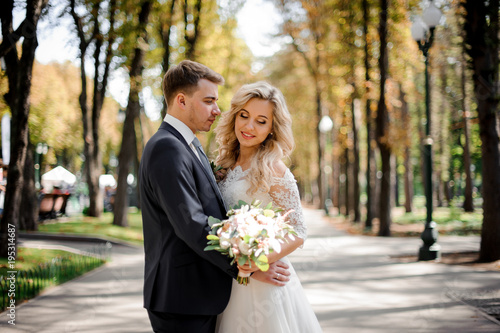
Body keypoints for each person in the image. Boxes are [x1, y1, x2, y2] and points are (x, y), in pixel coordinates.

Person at [139, 61, 289, 333]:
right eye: (209, 101)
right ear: (181, 100)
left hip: (200, 296)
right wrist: (249, 268)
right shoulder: (167, 148)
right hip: (181, 299)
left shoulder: (190, 144)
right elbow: (192, 224)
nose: (217, 110)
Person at [214, 81, 323, 332]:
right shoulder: (224, 164)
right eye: (244, 116)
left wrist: (257, 262)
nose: (249, 126)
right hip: (230, 280)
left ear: (272, 128)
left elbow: (298, 230)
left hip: (264, 281)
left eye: (261, 121)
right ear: (235, 116)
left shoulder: (274, 168)